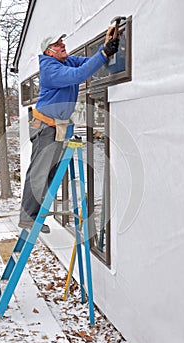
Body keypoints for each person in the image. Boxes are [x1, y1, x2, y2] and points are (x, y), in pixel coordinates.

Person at [19, 27, 119, 233]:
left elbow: (87, 64)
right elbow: (80, 74)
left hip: (56, 127)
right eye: (57, 44)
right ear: (49, 51)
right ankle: (27, 218)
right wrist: (102, 53)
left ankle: (36, 214)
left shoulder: (64, 61)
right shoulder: (51, 69)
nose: (63, 45)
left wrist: (106, 50)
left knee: (50, 172)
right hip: (45, 126)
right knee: (39, 172)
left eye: (62, 42)